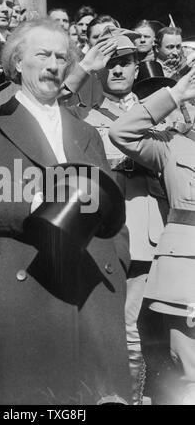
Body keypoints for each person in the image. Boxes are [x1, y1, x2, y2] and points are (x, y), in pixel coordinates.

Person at [0, 18, 132, 405]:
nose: (54, 64)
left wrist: (119, 263)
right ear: (16, 63)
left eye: (62, 56)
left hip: (91, 295)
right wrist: (29, 204)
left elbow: (110, 206)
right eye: (42, 54)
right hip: (18, 295)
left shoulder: (86, 132)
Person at [70, 30, 170, 404]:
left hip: (145, 229)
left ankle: (129, 399)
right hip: (97, 234)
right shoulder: (80, 116)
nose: (117, 69)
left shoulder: (156, 112)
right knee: (97, 324)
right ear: (98, 70)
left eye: (124, 62)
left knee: (132, 327)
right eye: (109, 62)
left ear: (135, 67)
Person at [109, 66, 195, 405]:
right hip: (188, 275)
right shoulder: (174, 147)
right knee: (190, 379)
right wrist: (172, 96)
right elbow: (121, 132)